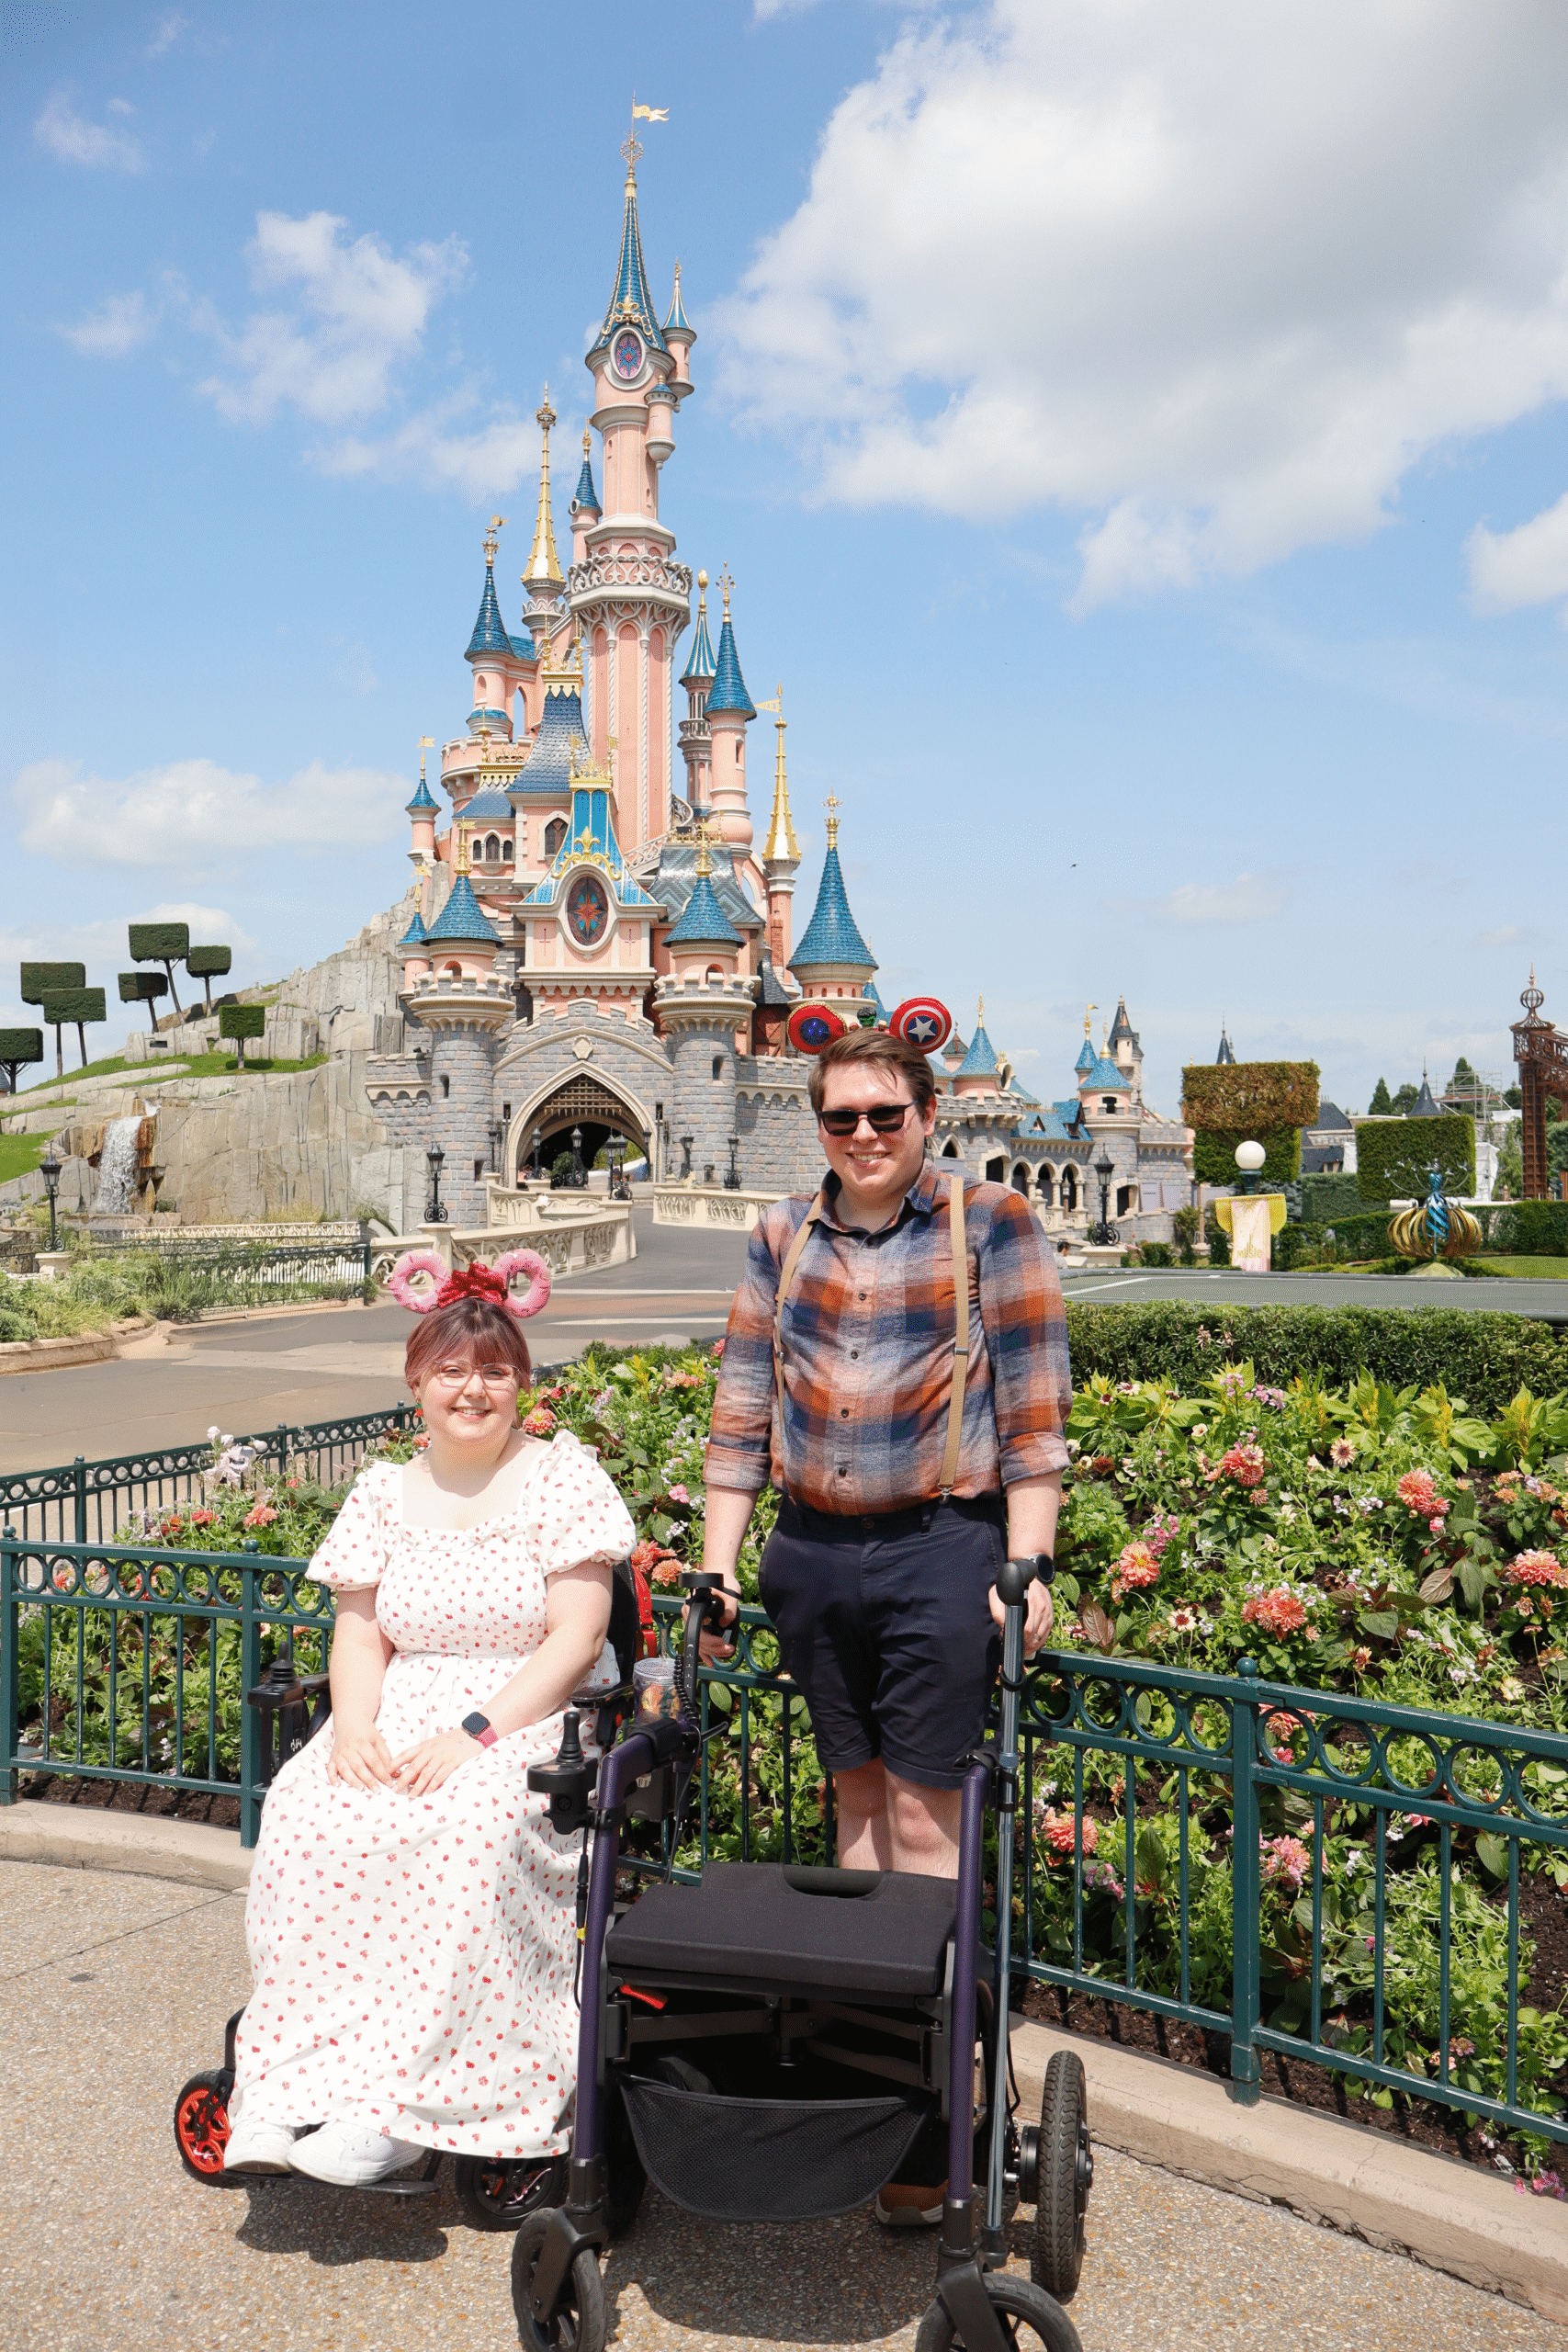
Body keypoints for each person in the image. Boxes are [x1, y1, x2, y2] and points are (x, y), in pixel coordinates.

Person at [702, 1026, 1070, 2220]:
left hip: (935, 1550)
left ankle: (940, 2103)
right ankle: (870, 2069)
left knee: (923, 1813)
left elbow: (1032, 1412)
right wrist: (717, 1566)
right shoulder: (780, 1235)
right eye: (840, 1118)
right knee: (854, 1799)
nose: (863, 1136)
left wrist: (1027, 1566)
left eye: (884, 1116)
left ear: (925, 1118)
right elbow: (739, 1411)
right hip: (810, 1554)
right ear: (816, 1126)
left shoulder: (989, 1225)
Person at [221, 1250, 635, 2186]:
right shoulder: (382, 1491)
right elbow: (359, 1634)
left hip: (520, 1710)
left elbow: (577, 1636)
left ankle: (405, 2105)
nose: (473, 1388)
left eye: (493, 1370)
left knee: (462, 1826)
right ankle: (285, 2086)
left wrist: (477, 1734)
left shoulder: (561, 1481)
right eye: (451, 1370)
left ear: (522, 1381)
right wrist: (356, 1727)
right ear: (417, 1383)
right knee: (309, 1809)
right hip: (402, 1701)